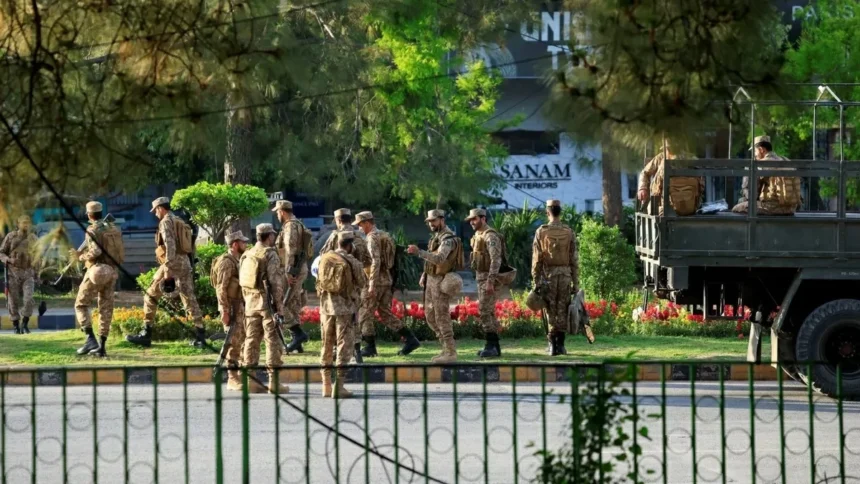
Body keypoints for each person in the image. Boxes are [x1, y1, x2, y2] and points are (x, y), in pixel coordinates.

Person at [127, 197, 207, 348]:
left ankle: (146, 333)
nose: (155, 213)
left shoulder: (165, 222)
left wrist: (168, 268)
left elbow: (170, 245)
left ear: (161, 208)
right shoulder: (178, 220)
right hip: (184, 262)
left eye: (155, 210)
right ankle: (200, 335)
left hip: (172, 263)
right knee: (189, 298)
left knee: (150, 295)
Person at [353, 211, 421, 357]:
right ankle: (411, 339)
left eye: (360, 224)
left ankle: (370, 347)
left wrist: (372, 283)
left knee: (364, 313)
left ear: (367, 223)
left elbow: (375, 261)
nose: (359, 228)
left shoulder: (371, 238)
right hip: (387, 280)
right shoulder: (386, 235)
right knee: (385, 313)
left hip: (375, 281)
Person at [407, 209, 463, 363]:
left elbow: (439, 259)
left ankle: (450, 352)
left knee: (441, 316)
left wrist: (419, 252)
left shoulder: (447, 239)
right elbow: (432, 260)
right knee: (430, 316)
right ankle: (445, 349)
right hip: (431, 280)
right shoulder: (437, 237)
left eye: (434, 221)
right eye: (429, 221)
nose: (431, 224)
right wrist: (425, 274)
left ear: (442, 220)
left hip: (441, 281)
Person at [240, 223, 288, 394]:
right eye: (273, 235)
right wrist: (279, 308)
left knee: (251, 341)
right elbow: (276, 283)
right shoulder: (270, 254)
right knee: (272, 341)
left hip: (250, 304)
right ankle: (274, 382)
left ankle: (249, 381)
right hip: (267, 304)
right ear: (269, 236)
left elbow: (243, 282)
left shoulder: (247, 254)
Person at [317, 231, 366, 398]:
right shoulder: (353, 262)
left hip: (326, 308)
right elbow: (362, 282)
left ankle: (326, 385)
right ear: (350, 245)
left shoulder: (325, 258)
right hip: (345, 309)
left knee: (326, 344)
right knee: (344, 346)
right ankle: (339, 386)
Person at [319, 208, 370, 362]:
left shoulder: (335, 236)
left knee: (333, 322)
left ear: (338, 220)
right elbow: (368, 261)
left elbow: (323, 256)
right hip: (353, 286)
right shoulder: (359, 236)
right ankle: (356, 352)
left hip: (333, 287)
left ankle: (335, 353)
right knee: (353, 319)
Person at [72, 202, 122, 357]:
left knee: (80, 304)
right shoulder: (113, 228)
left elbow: (96, 251)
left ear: (89, 214)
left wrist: (81, 257)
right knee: (106, 309)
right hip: (112, 271)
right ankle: (102, 347)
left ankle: (90, 339)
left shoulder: (92, 229)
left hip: (97, 270)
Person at [531, 200, 578, 356]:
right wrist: (576, 283)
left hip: (548, 276)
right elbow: (574, 260)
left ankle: (552, 345)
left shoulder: (541, 232)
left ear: (547, 212)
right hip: (565, 276)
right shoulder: (569, 232)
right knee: (563, 308)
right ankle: (561, 345)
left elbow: (536, 259)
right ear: (560, 212)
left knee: (550, 309)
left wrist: (536, 280)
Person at [211, 231, 250, 391]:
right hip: (231, 307)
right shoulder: (226, 262)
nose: (245, 244)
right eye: (242, 242)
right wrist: (225, 311)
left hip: (240, 306)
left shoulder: (238, 260)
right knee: (233, 343)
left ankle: (240, 375)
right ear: (235, 244)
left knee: (241, 342)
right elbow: (221, 288)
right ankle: (232, 378)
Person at [272, 200, 311, 353]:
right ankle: (297, 343)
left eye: (277, 212)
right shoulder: (298, 224)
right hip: (298, 268)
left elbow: (290, 249)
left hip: (293, 270)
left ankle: (298, 334)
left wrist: (289, 272)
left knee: (280, 303)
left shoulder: (290, 226)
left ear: (282, 212)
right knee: (293, 304)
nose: (277, 215)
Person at [466, 208, 505, 358]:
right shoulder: (478, 235)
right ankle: (495, 347)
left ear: (483, 219)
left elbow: (496, 260)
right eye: (470, 220)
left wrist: (490, 281)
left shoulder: (490, 236)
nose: (472, 222)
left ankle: (491, 345)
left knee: (484, 311)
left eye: (474, 219)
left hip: (490, 280)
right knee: (489, 312)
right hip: (481, 278)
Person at [732, 135, 801, 215]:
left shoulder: (761, 164)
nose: (754, 155)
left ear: (761, 150)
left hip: (773, 208)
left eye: (755, 151)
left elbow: (752, 196)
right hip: (791, 208)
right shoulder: (785, 160)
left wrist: (745, 188)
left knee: (738, 207)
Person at [637, 139, 704, 216]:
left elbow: (701, 181)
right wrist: (642, 188)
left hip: (687, 206)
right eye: (669, 148)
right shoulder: (660, 158)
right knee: (653, 208)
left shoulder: (690, 159)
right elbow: (645, 172)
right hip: (667, 206)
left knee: (653, 209)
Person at [0, 215, 37, 334]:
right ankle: (16, 325)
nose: (26, 225)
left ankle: (25, 323)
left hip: (28, 273)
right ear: (18, 224)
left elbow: (38, 254)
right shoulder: (11, 236)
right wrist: (9, 260)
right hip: (12, 274)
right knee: (13, 301)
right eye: (23, 223)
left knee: (28, 299)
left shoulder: (33, 238)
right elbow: (1, 253)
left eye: (28, 223)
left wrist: (38, 267)